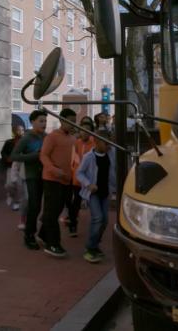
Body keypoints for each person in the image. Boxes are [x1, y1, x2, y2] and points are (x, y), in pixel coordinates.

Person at [38, 108, 78, 257]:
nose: (73, 125)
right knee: (52, 212)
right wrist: (54, 170)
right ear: (62, 120)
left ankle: (42, 235)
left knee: (55, 210)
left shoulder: (73, 138)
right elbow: (43, 156)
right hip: (52, 179)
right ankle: (53, 244)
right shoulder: (52, 137)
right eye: (70, 122)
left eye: (74, 122)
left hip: (66, 181)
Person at [76, 129, 116, 263]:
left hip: (106, 192)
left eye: (110, 143)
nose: (109, 146)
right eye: (106, 143)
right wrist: (88, 184)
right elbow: (79, 173)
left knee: (104, 221)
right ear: (97, 142)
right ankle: (90, 248)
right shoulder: (89, 157)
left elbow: (115, 170)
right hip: (93, 193)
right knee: (97, 218)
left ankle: (95, 244)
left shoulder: (111, 154)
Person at [11, 110, 47, 250]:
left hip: (47, 175)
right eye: (41, 121)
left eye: (45, 121)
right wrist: (34, 156)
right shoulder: (26, 138)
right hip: (32, 176)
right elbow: (14, 156)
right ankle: (29, 235)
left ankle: (44, 233)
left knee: (49, 206)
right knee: (35, 206)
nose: (44, 124)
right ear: (32, 122)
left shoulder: (47, 137)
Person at [67, 119, 96, 237]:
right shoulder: (77, 143)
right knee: (76, 202)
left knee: (94, 203)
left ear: (91, 133)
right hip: (78, 178)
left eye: (87, 131)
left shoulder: (95, 143)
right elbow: (73, 159)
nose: (84, 133)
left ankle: (96, 227)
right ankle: (72, 224)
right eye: (82, 130)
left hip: (91, 179)